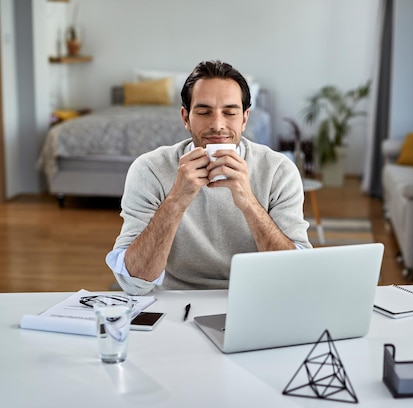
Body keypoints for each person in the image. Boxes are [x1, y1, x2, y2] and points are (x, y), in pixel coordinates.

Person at [106, 60, 312, 295]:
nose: (217, 125)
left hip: (256, 297)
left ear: (245, 119)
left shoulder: (279, 171)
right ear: (186, 118)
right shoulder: (150, 169)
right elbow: (134, 281)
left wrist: (248, 202)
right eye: (204, 112)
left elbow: (295, 274)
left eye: (230, 112)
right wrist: (176, 200)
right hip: (175, 301)